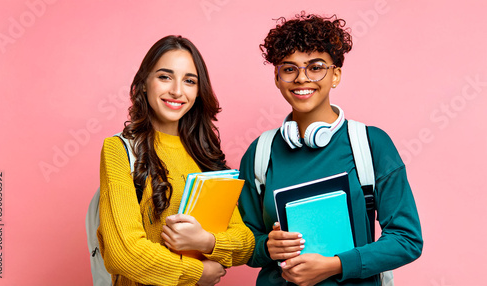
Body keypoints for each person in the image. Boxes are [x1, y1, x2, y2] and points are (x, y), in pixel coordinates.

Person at [237, 12, 423, 286]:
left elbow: (406, 240)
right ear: (277, 78)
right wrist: (266, 247)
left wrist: (335, 265)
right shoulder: (260, 153)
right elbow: (243, 243)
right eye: (289, 69)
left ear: (335, 75)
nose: (302, 78)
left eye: (315, 67)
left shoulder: (370, 144)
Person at [98, 35, 255, 286]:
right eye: (165, 76)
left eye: (189, 81)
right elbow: (124, 253)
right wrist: (198, 273)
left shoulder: (204, 155)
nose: (177, 91)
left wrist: (206, 241)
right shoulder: (119, 149)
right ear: (145, 83)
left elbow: (245, 243)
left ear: (198, 91)